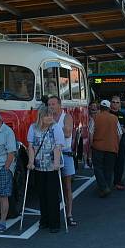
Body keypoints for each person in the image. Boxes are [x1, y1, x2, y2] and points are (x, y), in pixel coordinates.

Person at [27, 105, 64, 232]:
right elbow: (31, 146)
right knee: (41, 194)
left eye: (51, 115)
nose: (50, 117)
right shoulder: (33, 128)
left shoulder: (56, 128)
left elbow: (58, 146)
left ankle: (55, 223)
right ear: (41, 117)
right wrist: (31, 162)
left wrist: (56, 163)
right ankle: (45, 220)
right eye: (47, 115)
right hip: (38, 166)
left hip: (52, 166)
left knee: (52, 195)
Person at [48, 95, 77, 225]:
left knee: (67, 186)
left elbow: (67, 133)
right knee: (52, 187)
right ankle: (52, 215)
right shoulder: (48, 117)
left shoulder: (67, 117)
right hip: (51, 154)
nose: (51, 107)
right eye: (49, 104)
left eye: (53, 104)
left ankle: (69, 214)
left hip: (65, 153)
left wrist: (53, 129)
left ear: (60, 105)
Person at [91, 99, 120, 197]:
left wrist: (91, 144)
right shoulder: (115, 118)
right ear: (109, 108)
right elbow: (120, 133)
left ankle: (103, 187)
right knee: (109, 168)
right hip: (112, 147)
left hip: (98, 146)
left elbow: (91, 133)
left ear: (100, 107)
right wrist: (116, 143)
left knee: (98, 168)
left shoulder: (95, 117)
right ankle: (106, 187)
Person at [108, 96, 125, 192]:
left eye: (117, 102)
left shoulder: (122, 114)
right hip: (109, 143)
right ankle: (107, 183)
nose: (115, 104)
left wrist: (124, 130)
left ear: (120, 104)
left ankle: (117, 182)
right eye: (113, 102)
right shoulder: (106, 114)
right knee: (109, 163)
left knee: (120, 162)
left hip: (121, 142)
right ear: (110, 103)